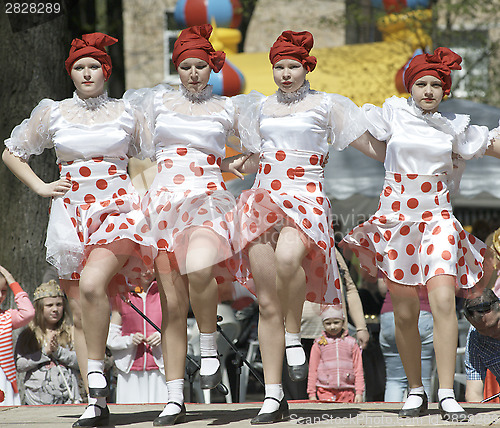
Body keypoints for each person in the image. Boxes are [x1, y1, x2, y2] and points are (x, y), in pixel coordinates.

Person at [229, 30, 384, 424]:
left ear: (305, 66)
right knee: (266, 303)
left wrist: (415, 148)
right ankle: (273, 395)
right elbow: (254, 157)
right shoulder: (260, 107)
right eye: (278, 67)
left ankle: (294, 334)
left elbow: (371, 147)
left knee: (287, 260)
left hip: (306, 198)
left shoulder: (327, 105)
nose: (284, 74)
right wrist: (234, 164)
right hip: (263, 197)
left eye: (292, 66)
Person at [341, 47, 500, 421]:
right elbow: (349, 127)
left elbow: (493, 144)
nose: (428, 90)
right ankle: (416, 390)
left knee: (444, 300)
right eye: (421, 84)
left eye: (436, 85)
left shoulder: (455, 129)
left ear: (445, 90)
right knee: (405, 311)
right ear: (411, 87)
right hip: (397, 221)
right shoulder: (392, 114)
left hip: (439, 219)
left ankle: (446, 392)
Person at [2, 33, 152, 426]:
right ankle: (95, 401)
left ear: (106, 71)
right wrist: (39, 186)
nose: (87, 73)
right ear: (71, 73)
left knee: (91, 285)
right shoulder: (53, 112)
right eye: (79, 67)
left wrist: (150, 197)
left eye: (94, 66)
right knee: (82, 315)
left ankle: (102, 379)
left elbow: (157, 155)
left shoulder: (128, 112)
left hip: (118, 209)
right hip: (70, 214)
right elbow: (11, 152)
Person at [125, 24, 247, 426]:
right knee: (172, 307)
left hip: (209, 200)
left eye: (200, 65)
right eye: (186, 66)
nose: (193, 72)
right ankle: (175, 398)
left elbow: (258, 149)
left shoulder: (228, 108)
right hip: (163, 204)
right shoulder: (156, 101)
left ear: (211, 68)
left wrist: (232, 164)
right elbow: (127, 145)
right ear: (177, 67)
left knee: (199, 268)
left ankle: (209, 347)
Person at [15, 280, 82, 405]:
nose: (55, 309)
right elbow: (20, 364)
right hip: (36, 401)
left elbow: (81, 362)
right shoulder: (29, 334)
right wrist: (45, 352)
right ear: (40, 308)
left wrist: (58, 352)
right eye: (49, 305)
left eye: (59, 304)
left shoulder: (71, 331)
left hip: (68, 400)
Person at [107, 279, 168, 404]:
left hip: (160, 370)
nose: (146, 270)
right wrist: (129, 340)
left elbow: (179, 329)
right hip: (130, 373)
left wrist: (163, 336)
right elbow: (110, 338)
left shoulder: (165, 294)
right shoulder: (122, 296)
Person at [379, 287, 434, 402]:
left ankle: (392, 416)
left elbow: (382, 288)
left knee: (394, 380)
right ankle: (422, 413)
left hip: (390, 313)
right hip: (423, 312)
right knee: (423, 378)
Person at [307, 305, 364, 403]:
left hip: (347, 390)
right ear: (323, 324)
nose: (332, 327)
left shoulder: (351, 343)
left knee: (347, 417)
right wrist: (311, 393)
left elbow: (358, 369)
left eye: (336, 322)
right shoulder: (319, 343)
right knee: (329, 416)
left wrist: (359, 392)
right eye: (328, 323)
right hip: (325, 390)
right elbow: (313, 369)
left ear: (343, 322)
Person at [0, 265, 35, 406]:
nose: (0, 296)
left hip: (3, 378)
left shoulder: (7, 317)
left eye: (3, 291)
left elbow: (28, 313)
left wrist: (10, 279)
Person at [464, 287, 500, 402]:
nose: (491, 334)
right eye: (482, 330)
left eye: (494, 326)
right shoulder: (474, 338)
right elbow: (473, 392)